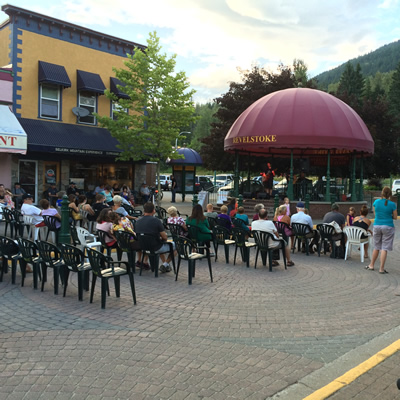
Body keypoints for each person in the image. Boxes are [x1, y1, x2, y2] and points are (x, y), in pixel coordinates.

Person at [135, 202, 175, 273]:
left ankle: (164, 265)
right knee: (176, 246)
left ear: (144, 210)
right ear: (154, 211)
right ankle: (166, 264)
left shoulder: (138, 221)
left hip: (143, 247)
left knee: (158, 242)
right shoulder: (156, 221)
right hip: (155, 247)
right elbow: (165, 237)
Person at [366, 187, 397, 273]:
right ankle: (381, 268)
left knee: (376, 247)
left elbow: (375, 214)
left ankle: (371, 265)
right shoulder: (392, 204)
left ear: (382, 193)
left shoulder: (376, 202)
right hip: (388, 226)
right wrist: (388, 216)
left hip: (377, 225)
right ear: (390, 194)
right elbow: (395, 217)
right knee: (384, 247)